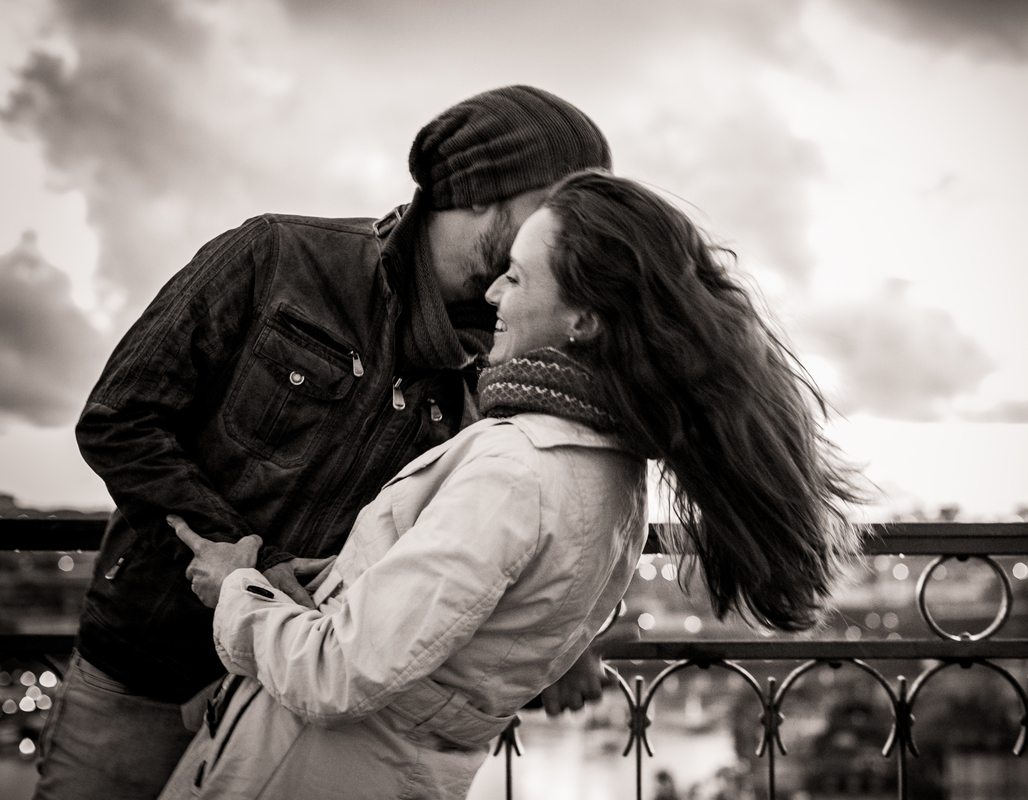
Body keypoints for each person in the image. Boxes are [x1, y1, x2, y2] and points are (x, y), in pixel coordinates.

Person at [157, 171, 863, 799]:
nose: (493, 290)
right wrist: (354, 578)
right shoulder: (613, 472)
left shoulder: (519, 470)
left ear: (582, 320)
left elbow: (336, 674)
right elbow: (483, 617)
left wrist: (234, 592)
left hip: (306, 770)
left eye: (519, 278)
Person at [33, 86, 613, 800]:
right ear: (482, 188)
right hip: (143, 674)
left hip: (290, 714)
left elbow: (469, 556)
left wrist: (569, 635)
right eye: (554, 212)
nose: (566, 240)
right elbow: (119, 419)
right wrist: (255, 571)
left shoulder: (489, 376)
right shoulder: (276, 255)